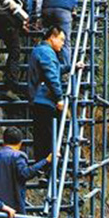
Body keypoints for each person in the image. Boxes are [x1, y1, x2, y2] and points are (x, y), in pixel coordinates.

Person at [28, 26, 67, 161]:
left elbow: (53, 70)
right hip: (44, 99)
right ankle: (48, 168)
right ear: (52, 37)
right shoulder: (47, 52)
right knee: (48, 136)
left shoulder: (41, 50)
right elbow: (51, 75)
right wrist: (59, 98)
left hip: (38, 98)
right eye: (61, 40)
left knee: (41, 135)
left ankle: (43, 169)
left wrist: (70, 67)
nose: (63, 43)